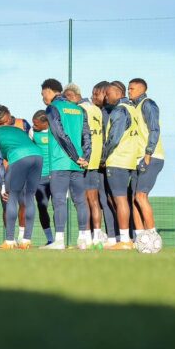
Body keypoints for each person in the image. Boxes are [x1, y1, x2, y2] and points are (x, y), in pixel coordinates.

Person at [40, 78, 91, 250]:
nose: (42, 98)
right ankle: (84, 238)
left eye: (43, 94)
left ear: (50, 91)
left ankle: (59, 240)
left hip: (61, 162)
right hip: (78, 164)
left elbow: (59, 134)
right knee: (80, 202)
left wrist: (74, 156)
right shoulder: (79, 109)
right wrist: (86, 158)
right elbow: (87, 136)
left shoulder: (53, 108)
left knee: (59, 200)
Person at [100, 81, 141, 250]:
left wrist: (103, 157)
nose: (106, 97)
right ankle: (126, 238)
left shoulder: (119, 110)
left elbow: (114, 138)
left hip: (118, 160)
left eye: (108, 94)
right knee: (119, 198)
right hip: (130, 159)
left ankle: (125, 240)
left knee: (120, 199)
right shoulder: (133, 109)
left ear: (117, 94)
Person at [65, 83, 105, 247]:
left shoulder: (78, 110)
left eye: (66, 98)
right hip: (95, 159)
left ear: (72, 96)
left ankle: (86, 238)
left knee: (81, 200)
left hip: (82, 160)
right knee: (93, 200)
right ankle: (97, 236)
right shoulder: (96, 109)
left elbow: (79, 136)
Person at [0, 124, 43, 249]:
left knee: (11, 196)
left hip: (19, 157)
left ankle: (9, 241)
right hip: (38, 156)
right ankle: (26, 241)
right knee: (29, 197)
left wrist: (3, 184)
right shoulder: (16, 129)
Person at [128, 78, 165, 238]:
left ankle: (152, 235)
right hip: (136, 159)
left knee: (140, 196)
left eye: (132, 89)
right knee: (134, 199)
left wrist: (148, 153)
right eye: (128, 89)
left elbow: (154, 129)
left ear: (143, 90)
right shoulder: (132, 107)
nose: (129, 91)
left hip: (151, 157)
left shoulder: (148, 104)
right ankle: (140, 237)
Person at [0, 104, 31, 239]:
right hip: (4, 173)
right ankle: (10, 239)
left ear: (9, 114)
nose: (4, 125)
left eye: (6, 121)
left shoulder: (23, 124)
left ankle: (21, 236)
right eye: (0, 123)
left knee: (23, 203)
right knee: (7, 206)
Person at [91, 81, 118, 246]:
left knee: (113, 199)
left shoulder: (109, 113)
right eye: (93, 93)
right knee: (104, 199)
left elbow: (109, 139)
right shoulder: (99, 111)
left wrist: (103, 157)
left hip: (110, 162)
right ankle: (113, 237)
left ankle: (120, 236)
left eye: (97, 94)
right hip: (101, 162)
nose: (94, 97)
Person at [31, 110, 54, 245]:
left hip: (55, 176)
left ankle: (60, 238)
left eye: (36, 124)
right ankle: (50, 239)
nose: (33, 126)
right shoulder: (32, 133)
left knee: (58, 207)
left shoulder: (55, 131)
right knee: (42, 206)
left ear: (45, 123)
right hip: (39, 177)